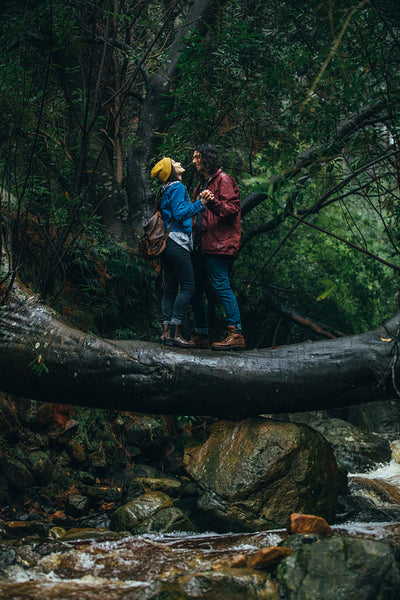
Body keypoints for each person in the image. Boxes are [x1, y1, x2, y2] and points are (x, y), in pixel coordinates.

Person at [191, 143, 246, 350]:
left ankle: (236, 333)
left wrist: (212, 202)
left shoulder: (223, 180)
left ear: (208, 157)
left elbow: (232, 209)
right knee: (194, 289)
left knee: (221, 286)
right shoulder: (203, 184)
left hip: (217, 246)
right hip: (201, 246)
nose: (194, 161)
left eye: (197, 157)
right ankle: (201, 334)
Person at [150, 156, 209, 348]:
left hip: (166, 245)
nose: (179, 163)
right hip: (177, 242)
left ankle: (166, 332)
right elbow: (180, 213)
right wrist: (200, 203)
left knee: (169, 290)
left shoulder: (163, 189)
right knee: (189, 287)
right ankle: (175, 333)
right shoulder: (177, 187)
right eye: (174, 162)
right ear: (171, 170)